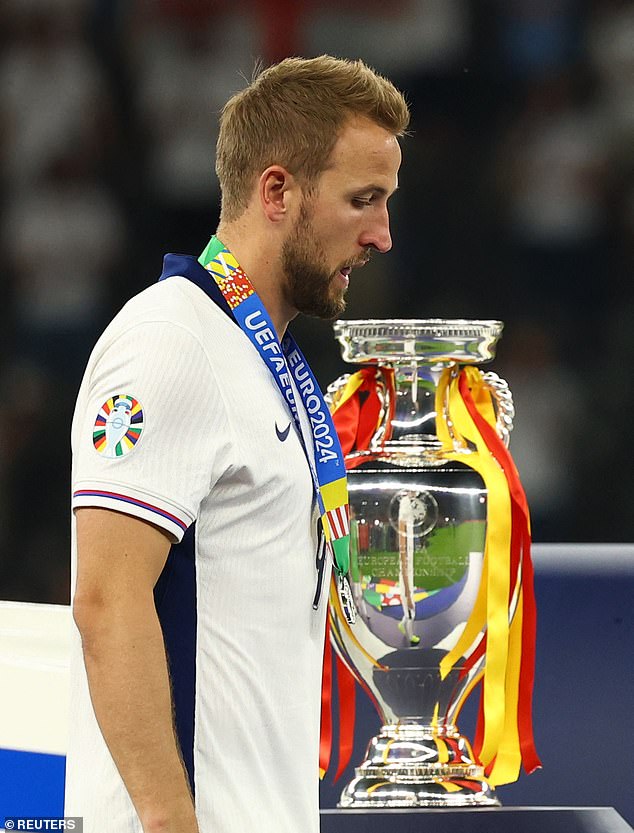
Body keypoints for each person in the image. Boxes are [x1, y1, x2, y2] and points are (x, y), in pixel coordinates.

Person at [65, 55, 409, 833]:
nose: (382, 235)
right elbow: (105, 602)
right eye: (364, 200)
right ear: (277, 191)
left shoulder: (269, 366)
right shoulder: (171, 341)